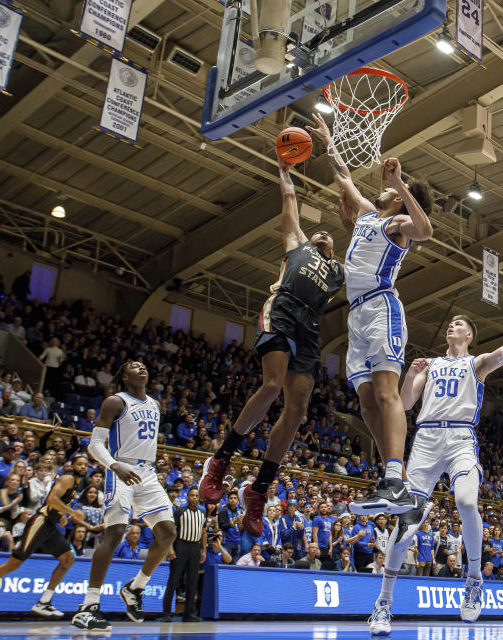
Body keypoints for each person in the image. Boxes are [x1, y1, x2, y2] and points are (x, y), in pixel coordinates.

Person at [200, 159, 344, 538]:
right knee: (271, 385)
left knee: (296, 412)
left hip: (309, 325)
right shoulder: (297, 244)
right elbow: (290, 200)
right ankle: (221, 458)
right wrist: (284, 172)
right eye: (320, 232)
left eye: (330, 236)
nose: (324, 233)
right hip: (282, 309)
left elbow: (361, 240)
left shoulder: (337, 272)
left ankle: (258, 489)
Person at [368, 294, 503, 634]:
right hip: (426, 440)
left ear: (468, 335)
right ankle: (383, 604)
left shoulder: (478, 363)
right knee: (407, 520)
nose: (451, 326)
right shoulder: (433, 364)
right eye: (451, 324)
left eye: (459, 324)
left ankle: (473, 577)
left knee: (467, 501)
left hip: (460, 438)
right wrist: (410, 375)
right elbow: (408, 402)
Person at [307, 114, 433, 516]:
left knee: (385, 393)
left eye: (394, 189)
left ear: (399, 197)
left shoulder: (397, 221)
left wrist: (401, 184)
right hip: (357, 315)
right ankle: (394, 483)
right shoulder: (366, 214)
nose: (382, 187)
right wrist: (329, 143)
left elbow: (426, 230)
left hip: (382, 308)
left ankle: (396, 479)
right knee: (365, 402)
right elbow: (343, 176)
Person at [71, 361, 177, 631]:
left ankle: (135, 588)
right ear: (125, 376)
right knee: (115, 532)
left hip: (148, 472)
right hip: (120, 467)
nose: (142, 369)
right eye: (134, 367)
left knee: (167, 532)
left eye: (144, 366)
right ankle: (88, 606)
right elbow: (95, 445)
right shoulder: (115, 402)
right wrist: (114, 465)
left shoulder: (155, 404)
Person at [0, 455, 89, 622]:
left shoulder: (77, 483)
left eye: (86, 464)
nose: (83, 467)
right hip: (40, 522)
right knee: (14, 563)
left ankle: (44, 601)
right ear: (72, 466)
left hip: (50, 525)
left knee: (68, 559)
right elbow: (51, 500)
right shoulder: (67, 478)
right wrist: (71, 512)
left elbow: (57, 504)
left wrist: (61, 514)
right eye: (80, 464)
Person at [163, 487, 206, 623]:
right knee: (174, 580)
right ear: (187, 496)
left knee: (192, 581)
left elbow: (203, 533)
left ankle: (188, 614)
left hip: (195, 547)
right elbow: (171, 532)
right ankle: (167, 613)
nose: (194, 497)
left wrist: (203, 550)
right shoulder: (179, 511)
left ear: (199, 498)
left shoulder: (202, 513)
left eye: (196, 496)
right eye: (191, 495)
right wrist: (170, 548)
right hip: (181, 545)